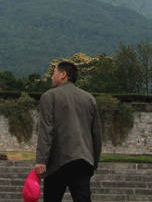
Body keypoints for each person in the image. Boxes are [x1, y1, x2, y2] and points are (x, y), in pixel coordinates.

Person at [34, 61, 102, 202]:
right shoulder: (89, 99)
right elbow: (96, 134)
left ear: (63, 75)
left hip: (59, 161)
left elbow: (46, 130)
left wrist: (41, 160)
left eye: (54, 73)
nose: (52, 77)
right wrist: (94, 161)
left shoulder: (49, 96)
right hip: (83, 160)